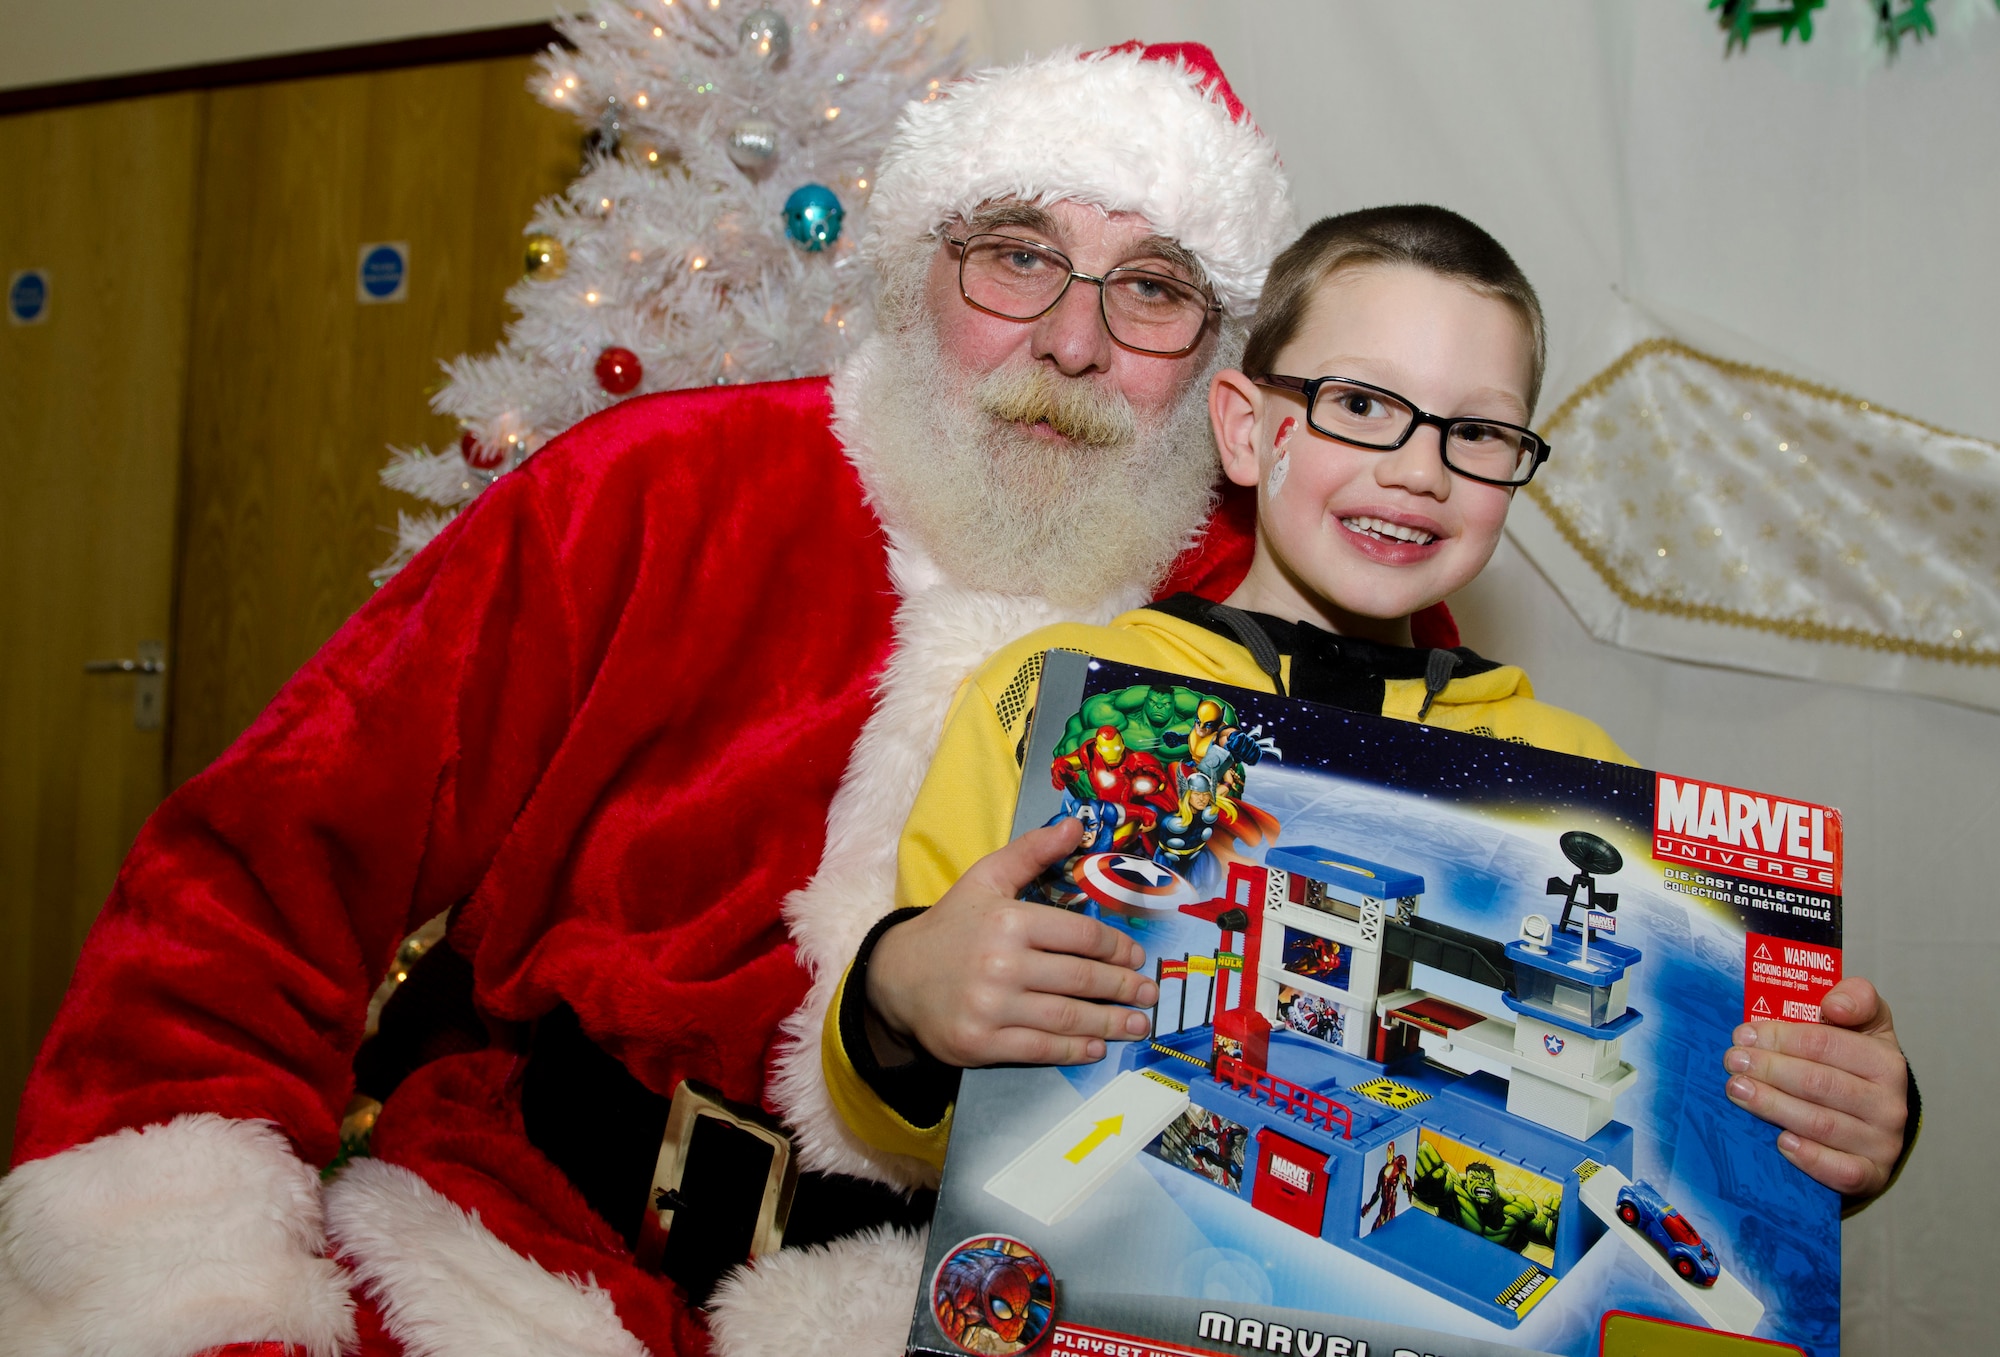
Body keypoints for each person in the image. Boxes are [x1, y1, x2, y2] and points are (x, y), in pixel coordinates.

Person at [1, 43, 1357, 1357]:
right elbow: (258, 870)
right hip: (512, 1262)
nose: (1073, 340)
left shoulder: (1284, 617)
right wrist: (186, 1276)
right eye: (1017, 256)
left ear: (1219, 364)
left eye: (1155, 291)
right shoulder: (646, 498)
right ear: (916, 266)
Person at [834, 207, 1916, 1218]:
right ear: (1248, 431)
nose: (1417, 470)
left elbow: (1680, 1123)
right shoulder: (1057, 691)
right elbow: (933, 1118)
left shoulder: (1570, 774)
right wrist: (898, 994)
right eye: (1360, 405)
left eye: (1477, 434)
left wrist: (1828, 1120)